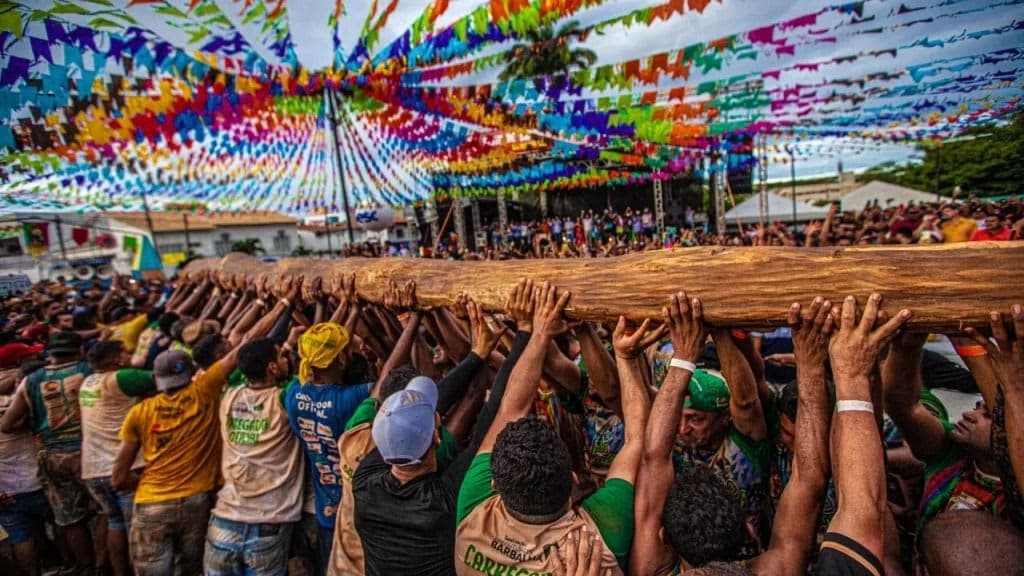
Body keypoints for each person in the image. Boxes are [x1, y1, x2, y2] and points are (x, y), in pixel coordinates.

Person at [455, 281, 644, 575]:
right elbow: (637, 440)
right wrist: (627, 358)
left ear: (494, 485)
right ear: (572, 480)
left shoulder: (473, 508)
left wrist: (536, 330)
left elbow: (510, 408)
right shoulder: (598, 539)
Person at [349, 299, 503, 575]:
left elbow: (430, 411)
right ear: (436, 436)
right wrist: (529, 333)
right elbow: (493, 418)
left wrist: (477, 356)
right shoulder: (443, 500)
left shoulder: (364, 480)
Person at [204, 338, 303, 576]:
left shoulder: (230, 395)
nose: (284, 359)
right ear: (272, 367)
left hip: (224, 520)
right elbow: (312, 372)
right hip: (268, 522)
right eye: (280, 356)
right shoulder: (283, 401)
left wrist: (285, 346)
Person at [0, 331, 95, 573]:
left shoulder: (30, 381)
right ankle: (98, 565)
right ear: (80, 350)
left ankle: (82, 567)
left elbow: (7, 424)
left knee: (66, 520)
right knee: (104, 513)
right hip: (80, 454)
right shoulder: (88, 371)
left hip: (41, 464)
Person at [285, 322, 372, 575]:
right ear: (341, 360)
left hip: (320, 511)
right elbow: (391, 375)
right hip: (352, 516)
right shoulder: (350, 399)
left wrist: (350, 310)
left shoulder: (294, 393)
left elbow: (316, 348)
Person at [79, 340, 155, 576]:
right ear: (118, 359)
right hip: (124, 469)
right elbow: (165, 373)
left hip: (93, 470)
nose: (129, 354)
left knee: (115, 523)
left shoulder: (87, 383)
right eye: (125, 351)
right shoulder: (122, 377)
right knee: (137, 530)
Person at [0, 363, 51, 576]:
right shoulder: (18, 405)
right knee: (65, 523)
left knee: (21, 537)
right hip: (37, 481)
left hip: (6, 492)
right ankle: (69, 564)